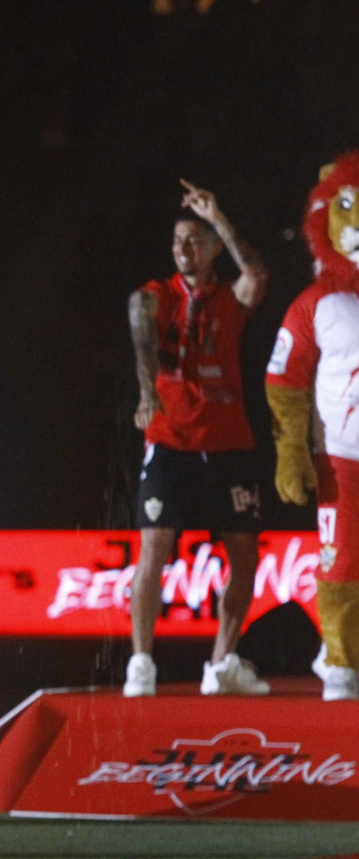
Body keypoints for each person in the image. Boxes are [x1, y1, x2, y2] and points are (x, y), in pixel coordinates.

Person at [124, 180, 270, 697]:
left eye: (193, 241)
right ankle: (141, 662)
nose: (182, 250)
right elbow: (139, 316)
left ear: (211, 249)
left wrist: (220, 217)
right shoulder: (160, 294)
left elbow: (256, 273)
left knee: (246, 557)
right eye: (176, 242)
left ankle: (221, 665)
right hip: (171, 439)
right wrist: (147, 392)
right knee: (154, 549)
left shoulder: (231, 296)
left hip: (229, 442)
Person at [266, 150, 359, 700]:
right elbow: (284, 379)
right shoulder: (317, 302)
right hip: (340, 457)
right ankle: (343, 664)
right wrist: (291, 452)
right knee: (342, 558)